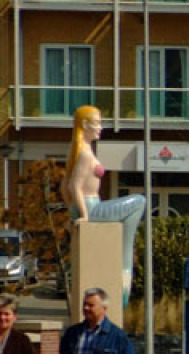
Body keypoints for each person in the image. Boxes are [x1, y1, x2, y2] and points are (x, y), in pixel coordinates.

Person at [61, 105, 146, 309]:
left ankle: (125, 262)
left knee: (133, 209)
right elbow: (74, 185)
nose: (101, 127)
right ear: (84, 125)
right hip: (91, 207)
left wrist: (70, 210)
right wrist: (83, 214)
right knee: (139, 202)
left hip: (88, 206)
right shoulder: (85, 154)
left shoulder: (78, 151)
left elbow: (65, 187)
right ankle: (125, 263)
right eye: (97, 123)